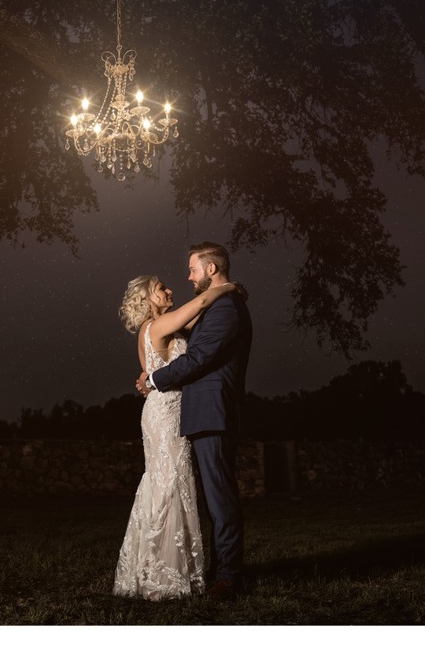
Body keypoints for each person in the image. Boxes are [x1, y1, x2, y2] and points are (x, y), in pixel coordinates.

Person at [138, 242, 252, 601]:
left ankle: (230, 577)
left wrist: (155, 379)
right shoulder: (215, 306)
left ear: (212, 270)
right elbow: (186, 343)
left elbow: (201, 356)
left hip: (213, 410)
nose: (188, 277)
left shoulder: (226, 308)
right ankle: (214, 569)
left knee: (220, 498)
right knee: (209, 499)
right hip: (198, 413)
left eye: (193, 269)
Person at [113, 274, 238, 601]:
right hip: (167, 413)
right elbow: (198, 304)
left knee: (163, 482)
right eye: (161, 288)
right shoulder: (161, 324)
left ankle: (154, 570)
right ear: (148, 299)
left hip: (159, 410)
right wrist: (224, 287)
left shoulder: (154, 329)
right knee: (170, 484)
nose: (169, 290)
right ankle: (164, 577)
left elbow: (195, 318)